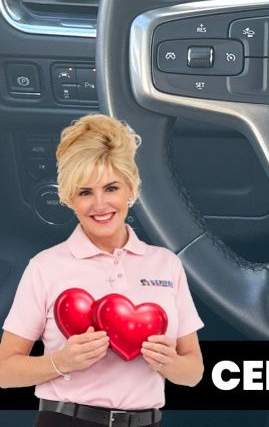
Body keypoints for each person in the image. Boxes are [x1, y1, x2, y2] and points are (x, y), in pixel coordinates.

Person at [0, 114, 203, 426]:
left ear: (130, 189)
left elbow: (194, 373)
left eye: (111, 188)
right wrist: (61, 361)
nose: (100, 204)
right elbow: (4, 372)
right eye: (85, 192)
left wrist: (170, 363)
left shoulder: (166, 264)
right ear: (69, 198)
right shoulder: (45, 267)